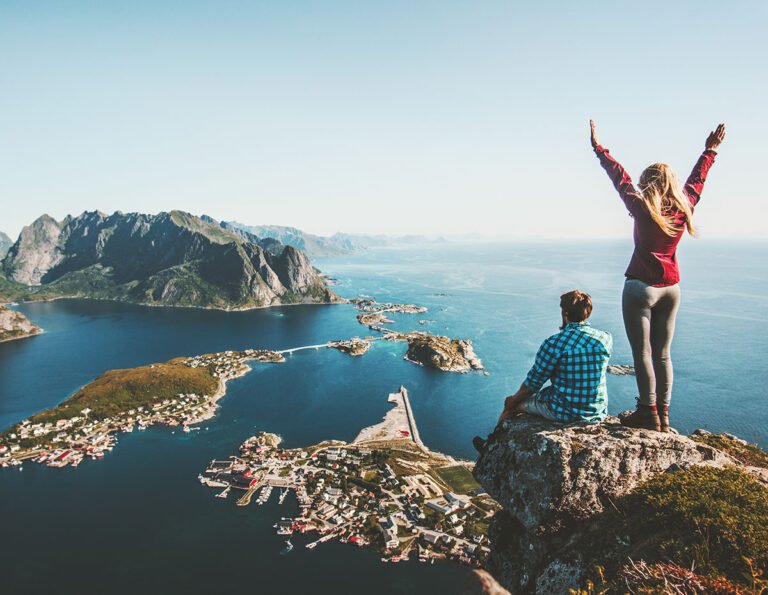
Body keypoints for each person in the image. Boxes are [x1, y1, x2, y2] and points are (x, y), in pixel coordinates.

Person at [590, 120, 726, 431]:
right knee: (663, 354)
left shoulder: (640, 206)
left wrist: (599, 148)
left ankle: (647, 412)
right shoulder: (684, 207)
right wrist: (710, 150)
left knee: (643, 354)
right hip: (671, 288)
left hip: (640, 287)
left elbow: (618, 176)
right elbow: (697, 180)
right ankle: (663, 415)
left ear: (648, 182)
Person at [473, 290, 612, 452]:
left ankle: (489, 447)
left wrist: (513, 400)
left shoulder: (554, 343)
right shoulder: (605, 338)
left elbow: (534, 382)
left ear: (564, 313)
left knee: (511, 406)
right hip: (596, 410)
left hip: (565, 410)